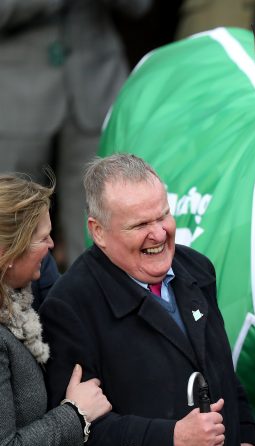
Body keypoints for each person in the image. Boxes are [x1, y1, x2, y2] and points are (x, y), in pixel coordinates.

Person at [40, 154, 255, 446]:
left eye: (163, 215)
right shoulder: (69, 307)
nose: (159, 234)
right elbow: (73, 439)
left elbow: (219, 369)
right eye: (140, 224)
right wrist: (171, 439)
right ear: (98, 231)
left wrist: (247, 435)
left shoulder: (197, 269)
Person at [0, 0, 151, 268]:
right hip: (12, 101)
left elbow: (139, 6)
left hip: (98, 90)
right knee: (9, 238)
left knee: (104, 236)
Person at [0, 175, 111, 446]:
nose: (52, 245)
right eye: (42, 237)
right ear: (9, 252)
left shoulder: (18, 307)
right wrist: (75, 415)